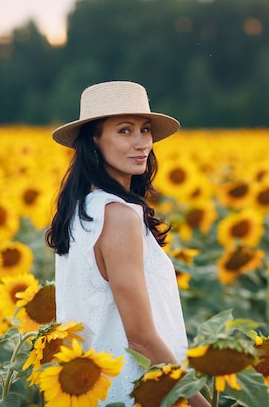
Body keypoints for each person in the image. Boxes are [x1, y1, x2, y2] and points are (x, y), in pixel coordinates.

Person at [46, 81, 210, 406]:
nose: (141, 143)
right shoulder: (117, 216)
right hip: (134, 391)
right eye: (124, 131)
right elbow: (142, 340)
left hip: (94, 392)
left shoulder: (82, 211)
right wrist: (200, 404)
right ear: (94, 139)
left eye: (145, 130)